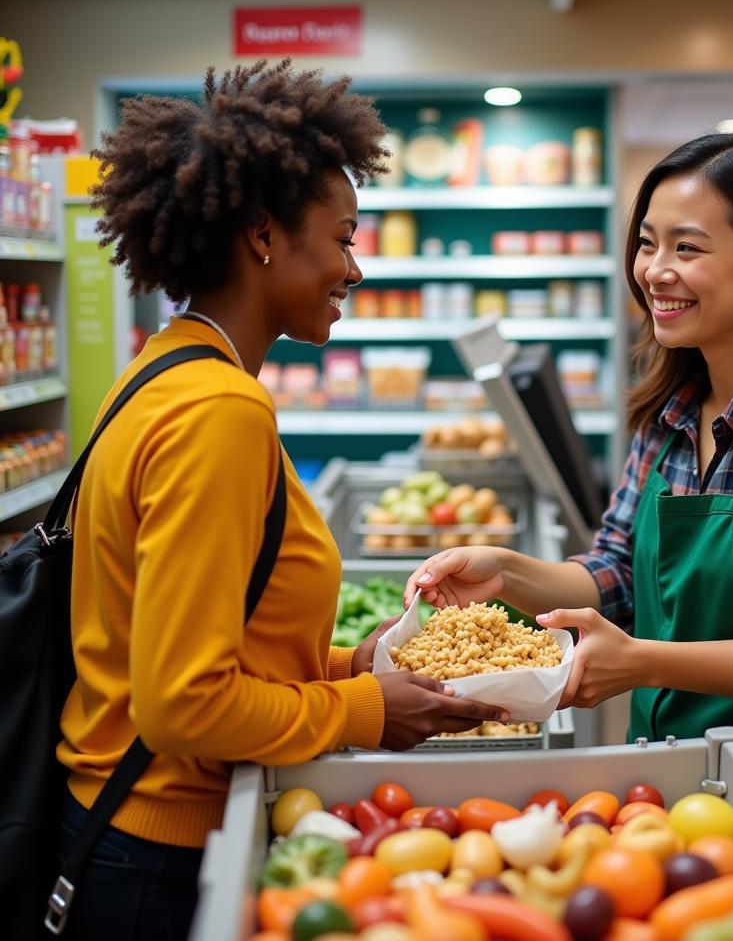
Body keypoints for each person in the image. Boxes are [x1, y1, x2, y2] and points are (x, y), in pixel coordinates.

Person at [406, 132, 733, 916]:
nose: (655, 270)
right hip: (683, 796)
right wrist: (505, 573)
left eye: (688, 246)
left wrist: (647, 662)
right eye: (647, 243)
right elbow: (618, 568)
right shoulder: (673, 410)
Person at [57, 60, 507, 941]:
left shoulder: (163, 367)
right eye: (341, 238)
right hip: (156, 852)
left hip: (130, 825)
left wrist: (351, 665)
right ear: (263, 233)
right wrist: (370, 712)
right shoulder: (220, 411)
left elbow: (207, 640)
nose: (355, 266)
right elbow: (183, 704)